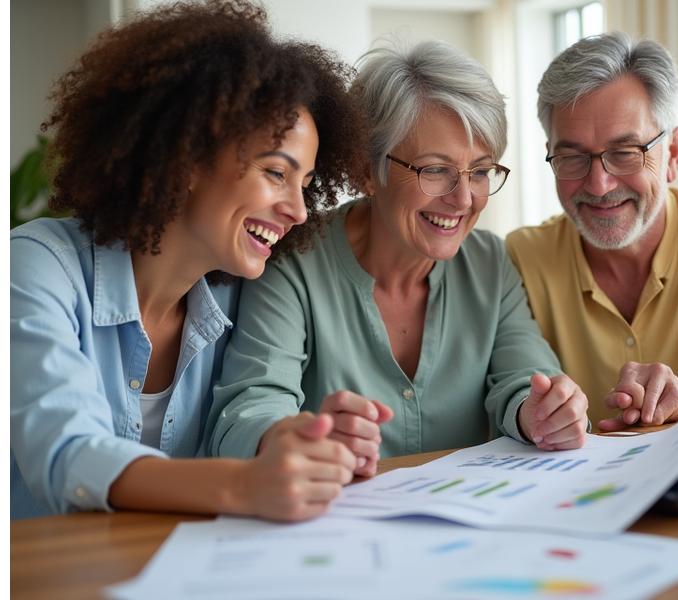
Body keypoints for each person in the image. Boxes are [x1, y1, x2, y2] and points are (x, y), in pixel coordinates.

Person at [10, 0, 368, 521]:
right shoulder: (35, 267)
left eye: (306, 184)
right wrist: (243, 485)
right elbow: (67, 455)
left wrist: (287, 440)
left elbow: (236, 425)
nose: (296, 209)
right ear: (188, 157)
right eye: (275, 172)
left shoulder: (238, 293)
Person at [208, 39, 590, 477]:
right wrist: (289, 439)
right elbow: (248, 410)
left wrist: (542, 411)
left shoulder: (488, 262)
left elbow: (525, 378)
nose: (463, 198)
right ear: (366, 172)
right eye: (435, 170)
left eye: (481, 171)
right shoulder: (294, 261)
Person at [506, 32, 678, 431]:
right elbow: (511, 392)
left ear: (672, 153)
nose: (599, 185)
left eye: (625, 153)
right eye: (571, 157)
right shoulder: (523, 256)